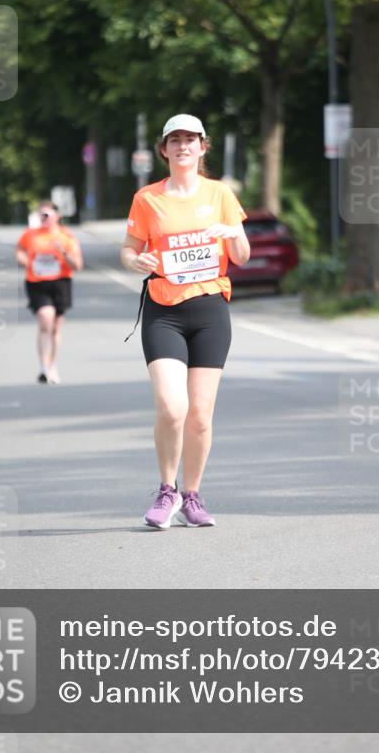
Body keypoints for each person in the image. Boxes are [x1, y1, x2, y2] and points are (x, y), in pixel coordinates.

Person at [121, 114, 250, 529]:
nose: (182, 146)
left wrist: (232, 232)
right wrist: (135, 259)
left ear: (202, 147)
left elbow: (242, 256)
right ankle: (166, 490)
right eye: (174, 140)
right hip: (164, 310)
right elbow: (128, 249)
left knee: (200, 414)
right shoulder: (147, 198)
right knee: (172, 407)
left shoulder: (220, 194)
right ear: (163, 149)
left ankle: (192, 496)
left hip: (210, 310)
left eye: (190, 139)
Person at [16, 201, 83, 384]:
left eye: (47, 215)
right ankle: (43, 367)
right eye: (41, 215)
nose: (43, 218)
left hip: (61, 283)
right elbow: (20, 250)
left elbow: (77, 265)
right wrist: (22, 259)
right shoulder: (30, 235)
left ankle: (52, 365)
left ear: (57, 216)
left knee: (55, 328)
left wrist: (61, 250)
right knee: (46, 320)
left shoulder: (67, 237)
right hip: (37, 283)